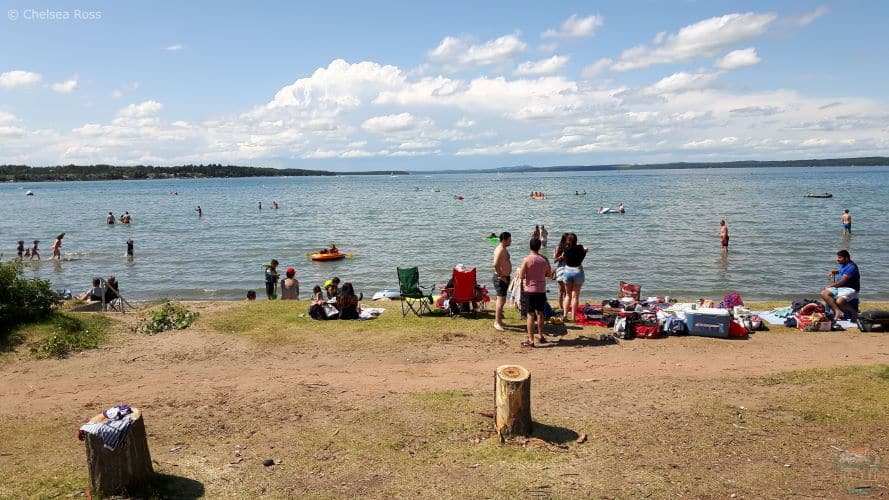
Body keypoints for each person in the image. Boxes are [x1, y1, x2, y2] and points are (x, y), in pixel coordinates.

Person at [517, 237, 553, 347]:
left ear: (530, 246)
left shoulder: (527, 259)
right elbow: (549, 274)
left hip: (530, 290)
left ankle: (531, 340)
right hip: (541, 290)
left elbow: (521, 275)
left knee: (530, 314)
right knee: (540, 313)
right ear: (540, 247)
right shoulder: (544, 259)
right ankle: (541, 335)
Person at [821, 249, 861, 321]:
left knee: (839, 301)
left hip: (850, 289)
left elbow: (842, 282)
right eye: (838, 257)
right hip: (841, 288)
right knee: (824, 293)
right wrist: (833, 272)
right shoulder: (844, 264)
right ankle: (837, 311)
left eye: (840, 257)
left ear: (846, 258)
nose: (838, 259)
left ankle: (854, 312)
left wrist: (830, 286)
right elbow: (841, 271)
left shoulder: (852, 267)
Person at [560, 233, 587, 322]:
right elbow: (585, 249)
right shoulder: (580, 248)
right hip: (578, 270)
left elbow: (563, 255)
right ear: (576, 240)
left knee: (567, 295)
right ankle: (573, 318)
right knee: (575, 296)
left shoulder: (566, 249)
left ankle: (564, 315)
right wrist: (580, 245)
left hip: (567, 271)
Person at [492, 231, 512, 331]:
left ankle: (499, 320)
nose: (511, 241)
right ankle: (496, 322)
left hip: (504, 277)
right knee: (500, 301)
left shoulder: (503, 249)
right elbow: (495, 264)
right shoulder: (500, 250)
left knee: (503, 300)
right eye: (509, 240)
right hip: (500, 278)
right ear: (504, 240)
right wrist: (501, 276)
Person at [552, 233, 569, 311]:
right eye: (568, 239)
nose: (569, 240)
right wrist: (560, 257)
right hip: (561, 269)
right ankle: (561, 306)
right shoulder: (558, 247)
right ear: (564, 239)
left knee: (567, 291)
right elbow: (554, 260)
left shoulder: (570, 247)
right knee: (561, 290)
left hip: (569, 269)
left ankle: (565, 306)